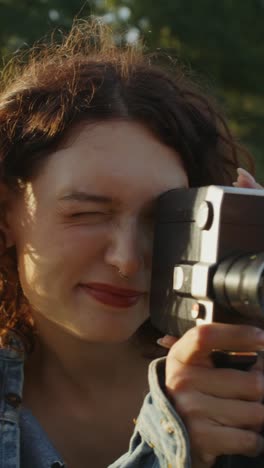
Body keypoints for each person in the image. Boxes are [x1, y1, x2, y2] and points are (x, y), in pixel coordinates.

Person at [0, 18, 263, 468]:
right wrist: (176, 448)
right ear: (6, 215)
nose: (127, 259)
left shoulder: (247, 385)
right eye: (86, 214)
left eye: (162, 219)